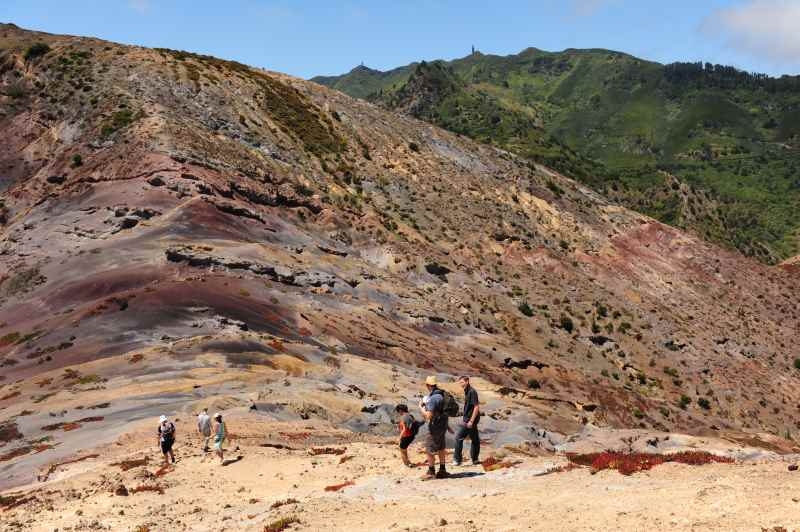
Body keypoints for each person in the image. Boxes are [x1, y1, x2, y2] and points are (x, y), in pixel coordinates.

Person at [419, 376, 449, 480]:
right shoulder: (441, 395)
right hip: (442, 425)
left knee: (429, 448)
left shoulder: (433, 399)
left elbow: (428, 416)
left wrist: (421, 407)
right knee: (441, 447)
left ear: (428, 386)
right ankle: (442, 470)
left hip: (435, 426)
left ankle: (431, 472)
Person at [453, 376, 481, 466]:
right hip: (469, 419)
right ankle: (475, 459)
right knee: (475, 439)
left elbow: (476, 407)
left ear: (467, 381)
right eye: (460, 383)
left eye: (462, 382)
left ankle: (457, 460)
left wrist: (471, 421)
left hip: (470, 420)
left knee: (458, 438)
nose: (461, 384)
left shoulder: (472, 392)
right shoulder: (467, 391)